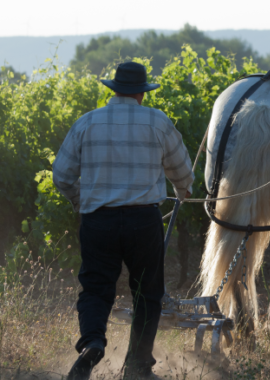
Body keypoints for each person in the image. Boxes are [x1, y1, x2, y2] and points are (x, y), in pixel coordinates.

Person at [53, 62, 194, 379]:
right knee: (147, 293)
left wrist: (82, 200)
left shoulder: (87, 122)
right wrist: (183, 191)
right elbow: (182, 172)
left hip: (97, 221)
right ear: (142, 94)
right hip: (143, 222)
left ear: (113, 89)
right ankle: (137, 365)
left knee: (95, 288)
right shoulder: (157, 122)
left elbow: (61, 175)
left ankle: (91, 343)